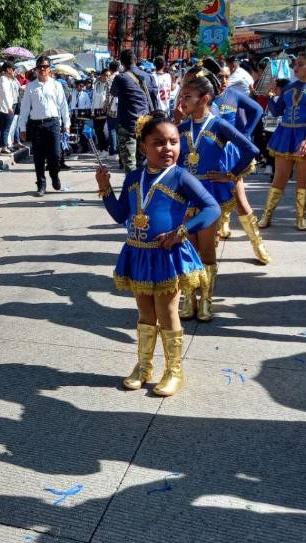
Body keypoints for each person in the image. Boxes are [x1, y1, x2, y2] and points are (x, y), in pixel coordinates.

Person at [95, 112, 220, 397]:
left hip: (167, 254)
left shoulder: (181, 177)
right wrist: (105, 188)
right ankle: (144, 365)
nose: (168, 148)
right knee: (144, 312)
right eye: (159, 142)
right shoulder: (133, 177)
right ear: (143, 148)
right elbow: (119, 215)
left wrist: (183, 231)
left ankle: (174, 371)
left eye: (173, 142)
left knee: (167, 312)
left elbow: (211, 208)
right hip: (138, 254)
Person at [176, 68, 259, 322]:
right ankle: (189, 298)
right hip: (184, 196)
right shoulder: (180, 128)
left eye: (188, 96)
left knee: (208, 250)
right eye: (182, 95)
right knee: (188, 248)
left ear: (204, 98)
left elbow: (250, 149)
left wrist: (231, 174)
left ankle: (206, 302)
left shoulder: (219, 125)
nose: (183, 101)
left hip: (209, 196)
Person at [213, 63, 271, 264]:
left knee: (239, 199)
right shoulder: (201, 97)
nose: (223, 81)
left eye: (227, 77)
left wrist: (244, 133)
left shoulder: (233, 95)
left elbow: (256, 110)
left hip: (228, 155)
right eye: (219, 76)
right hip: (204, 155)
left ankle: (257, 243)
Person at [259, 52, 306, 232]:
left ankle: (302, 217)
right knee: (280, 177)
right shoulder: (288, 87)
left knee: (303, 180)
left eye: (300, 64)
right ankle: (266, 215)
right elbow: (277, 111)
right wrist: (271, 95)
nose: (295, 68)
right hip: (285, 135)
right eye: (295, 65)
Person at [18, 56, 70, 196]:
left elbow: (63, 106)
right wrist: (22, 128)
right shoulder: (31, 86)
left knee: (56, 155)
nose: (42, 69)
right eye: (40, 66)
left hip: (53, 123)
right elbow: (24, 109)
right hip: (36, 125)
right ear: (36, 68)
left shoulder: (56, 85)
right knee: (38, 157)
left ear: (49, 69)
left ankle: (54, 175)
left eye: (45, 66)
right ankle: (41, 184)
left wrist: (67, 123)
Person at [111, 49, 159, 172]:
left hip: (126, 124)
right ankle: (143, 187)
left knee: (129, 164)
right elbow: (154, 99)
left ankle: (132, 188)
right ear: (136, 60)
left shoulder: (120, 78)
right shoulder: (149, 77)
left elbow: (113, 93)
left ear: (122, 62)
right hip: (145, 124)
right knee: (143, 161)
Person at [0, 61, 20, 154]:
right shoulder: (3, 79)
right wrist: (9, 107)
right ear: (8, 69)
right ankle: (4, 146)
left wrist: (14, 77)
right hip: (6, 106)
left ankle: (6, 145)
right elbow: (5, 94)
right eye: (13, 69)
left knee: (8, 126)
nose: (14, 70)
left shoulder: (9, 79)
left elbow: (18, 88)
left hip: (11, 104)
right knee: (6, 127)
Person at [91, 69, 110, 152]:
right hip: (95, 109)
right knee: (97, 129)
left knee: (103, 130)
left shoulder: (109, 85)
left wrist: (106, 107)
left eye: (108, 76)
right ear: (102, 75)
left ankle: (105, 148)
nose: (107, 77)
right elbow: (94, 98)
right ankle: (101, 148)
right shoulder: (96, 84)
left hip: (104, 109)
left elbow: (109, 98)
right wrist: (92, 109)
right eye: (106, 75)